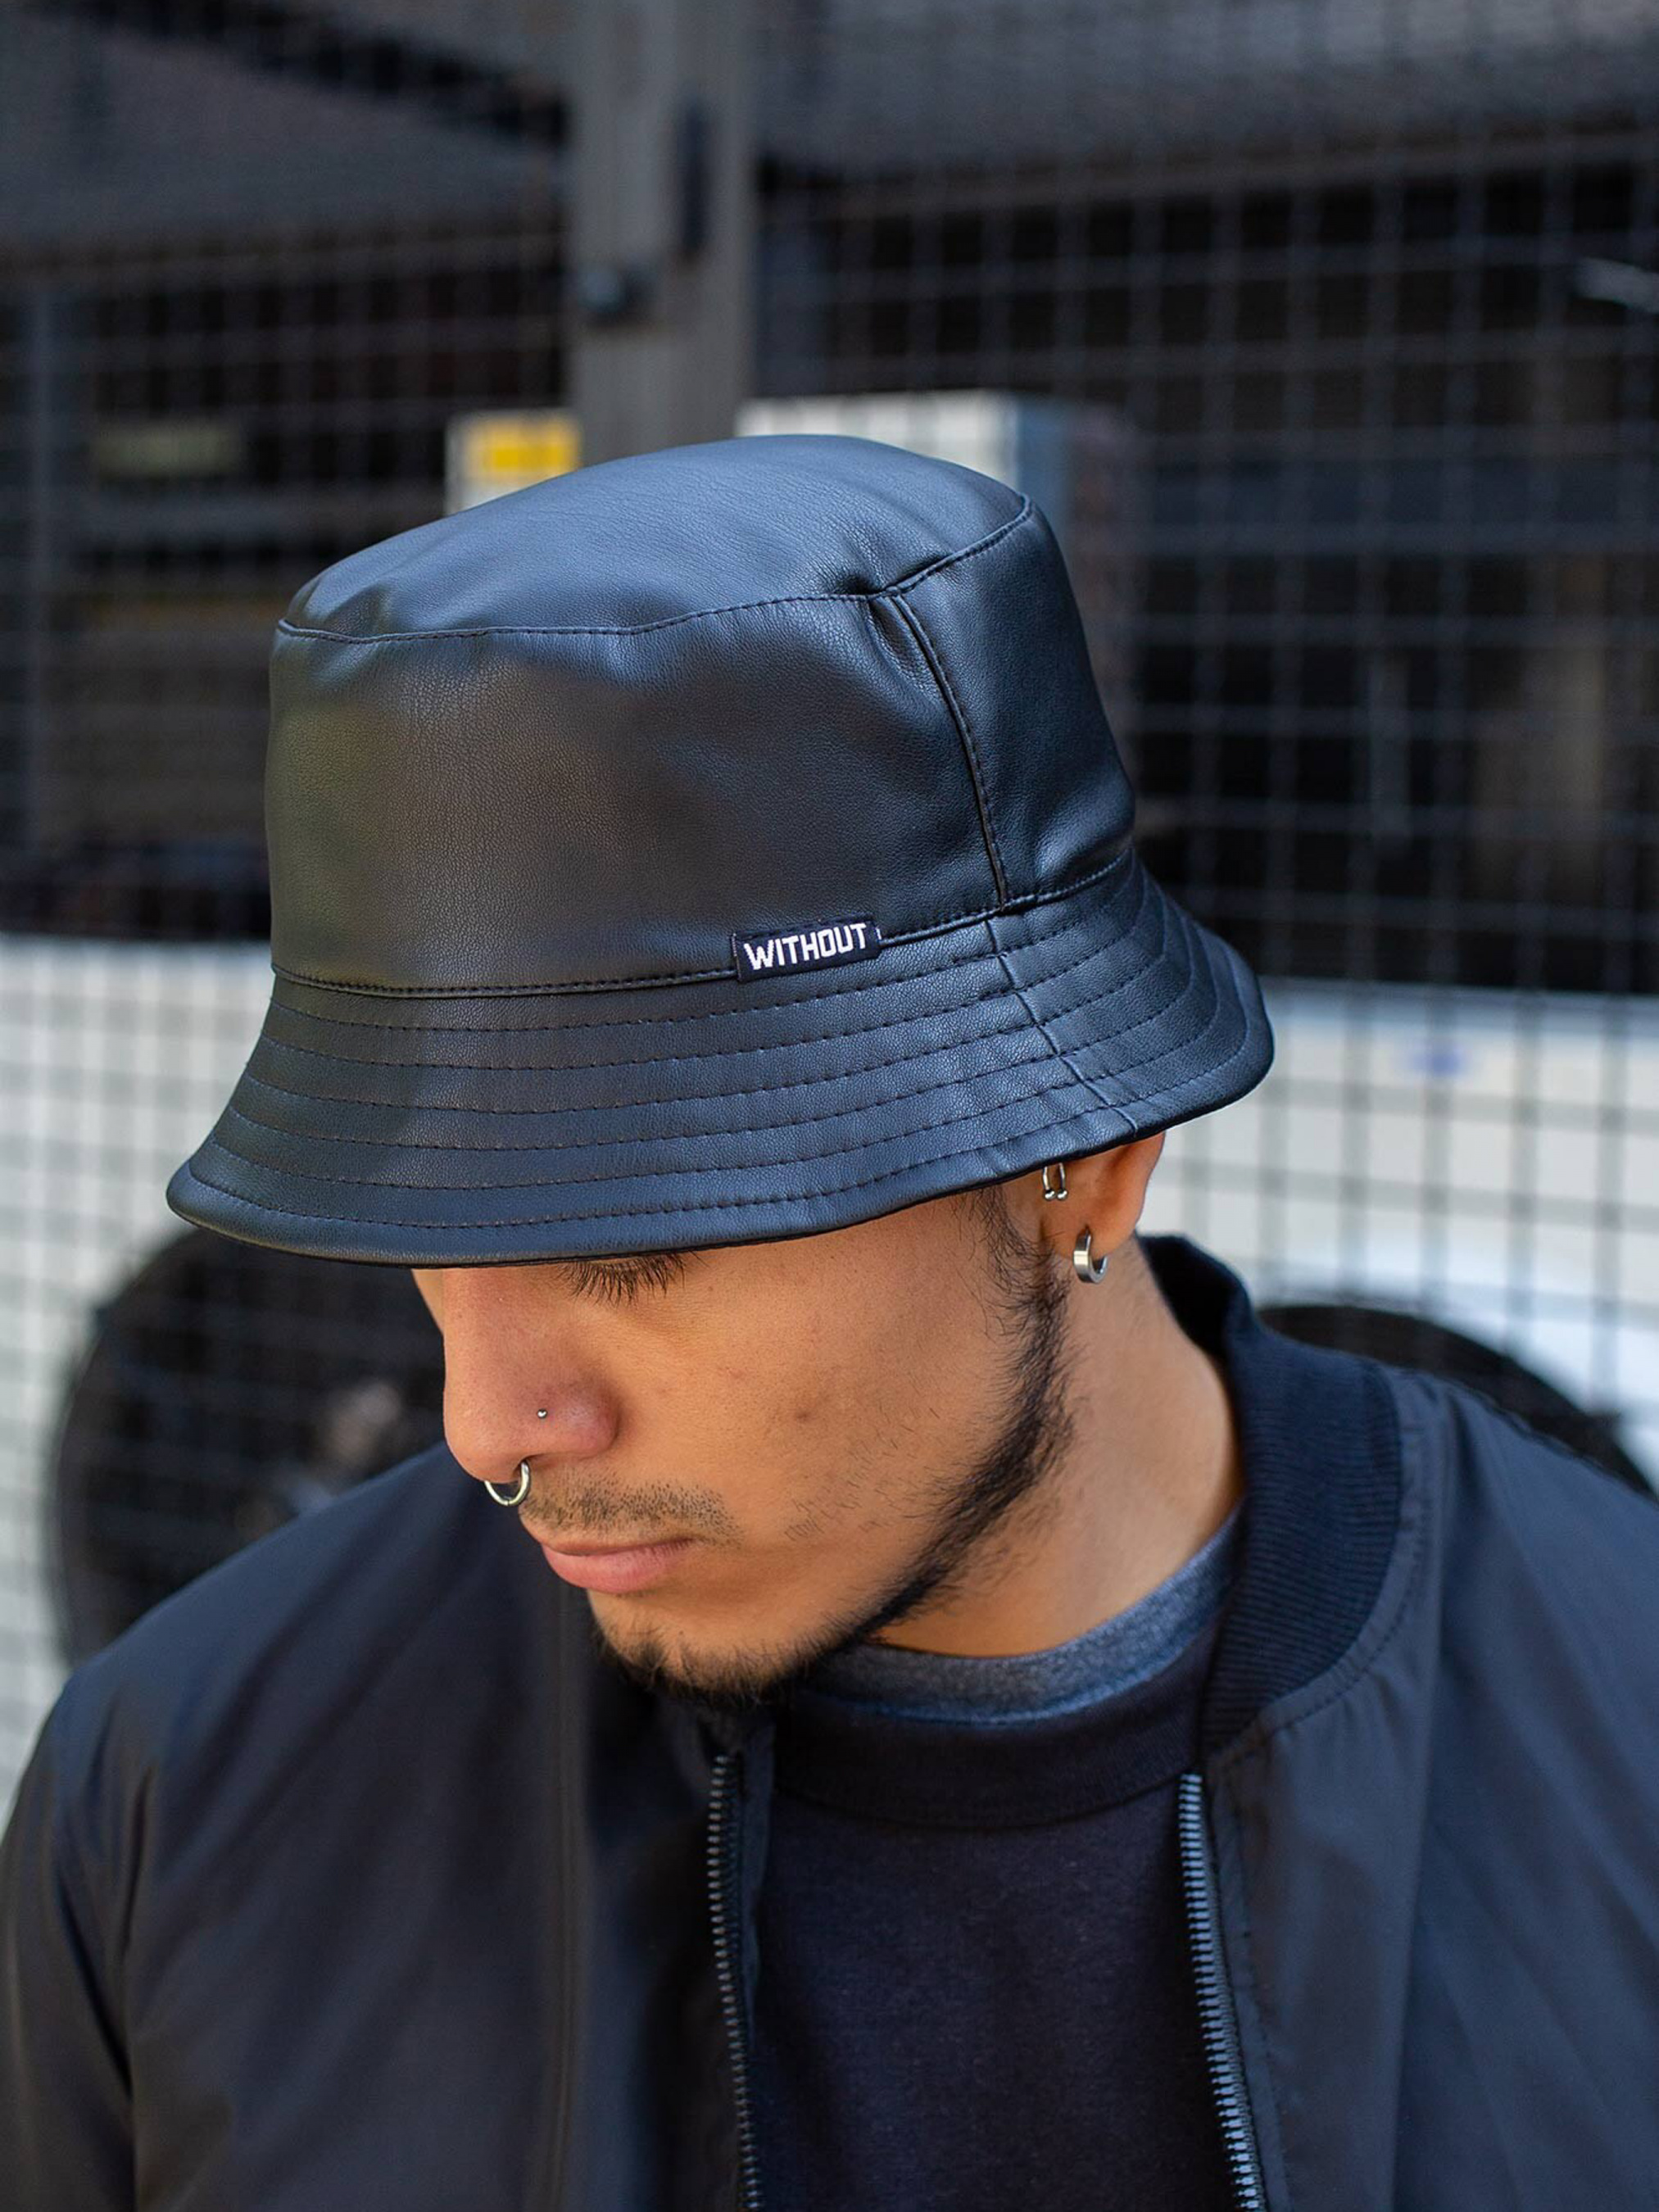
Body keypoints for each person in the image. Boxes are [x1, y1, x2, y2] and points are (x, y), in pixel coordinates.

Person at [2, 433, 1656, 2211]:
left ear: (1083, 1169)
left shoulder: (1614, 1725)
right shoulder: (188, 1785)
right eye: (426, 1234)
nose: (487, 1426)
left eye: (637, 1252)